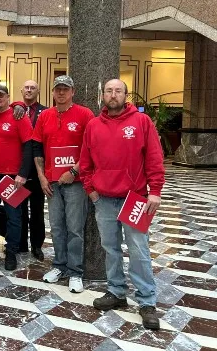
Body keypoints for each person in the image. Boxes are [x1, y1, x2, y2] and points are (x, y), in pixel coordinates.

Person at [79, 79, 165, 330]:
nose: (113, 95)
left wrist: (155, 191)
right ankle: (116, 292)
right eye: (109, 91)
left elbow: (154, 157)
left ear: (126, 95)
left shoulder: (141, 122)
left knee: (139, 250)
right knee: (110, 248)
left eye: (118, 91)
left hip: (135, 198)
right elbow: (85, 161)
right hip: (104, 199)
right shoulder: (94, 125)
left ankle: (147, 301)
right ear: (102, 95)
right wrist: (91, 190)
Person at [32, 75, 95, 293]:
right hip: (51, 181)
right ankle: (59, 265)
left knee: (75, 228)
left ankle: (75, 271)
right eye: (57, 89)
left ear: (72, 92)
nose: (61, 93)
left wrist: (74, 170)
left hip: (75, 181)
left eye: (65, 89)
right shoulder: (44, 116)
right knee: (57, 226)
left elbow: (90, 148)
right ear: (53, 92)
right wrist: (41, 176)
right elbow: (37, 148)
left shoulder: (84, 114)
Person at [0, 84, 33, 270]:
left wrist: (23, 174)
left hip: (12, 177)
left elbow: (28, 146)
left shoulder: (19, 116)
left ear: (8, 97)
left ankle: (11, 251)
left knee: (14, 216)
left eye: (0, 96)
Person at [19, 80, 47, 261]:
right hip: (19, 169)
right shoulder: (16, 110)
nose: (29, 90)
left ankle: (37, 245)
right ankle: (20, 243)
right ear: (21, 91)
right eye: (26, 87)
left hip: (38, 169)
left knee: (37, 210)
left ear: (38, 91)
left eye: (33, 88)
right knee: (18, 209)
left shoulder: (46, 112)